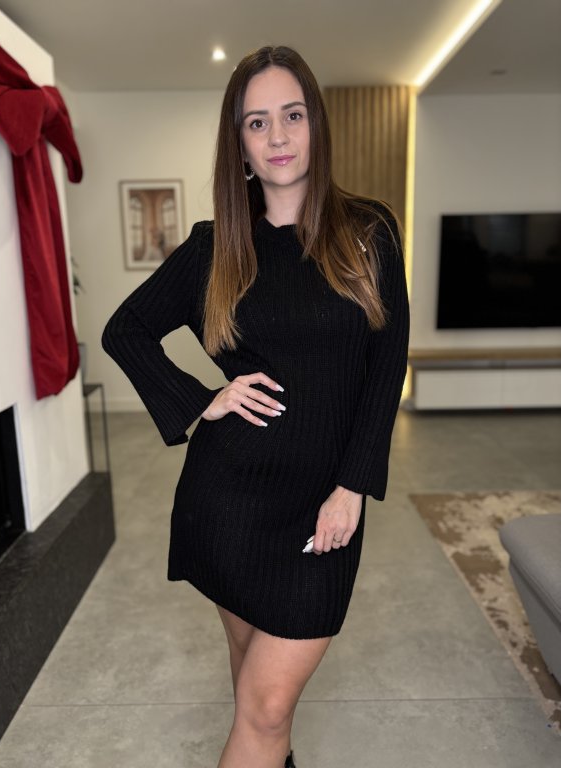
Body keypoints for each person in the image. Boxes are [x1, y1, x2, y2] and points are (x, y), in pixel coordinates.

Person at [101, 45, 409, 768]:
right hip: (228, 506)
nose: (277, 136)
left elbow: (385, 364)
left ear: (316, 124)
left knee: (265, 705)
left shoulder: (368, 232)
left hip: (323, 508)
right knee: (257, 699)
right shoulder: (217, 247)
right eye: (257, 122)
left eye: (292, 115)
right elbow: (126, 330)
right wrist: (201, 400)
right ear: (237, 142)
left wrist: (353, 487)